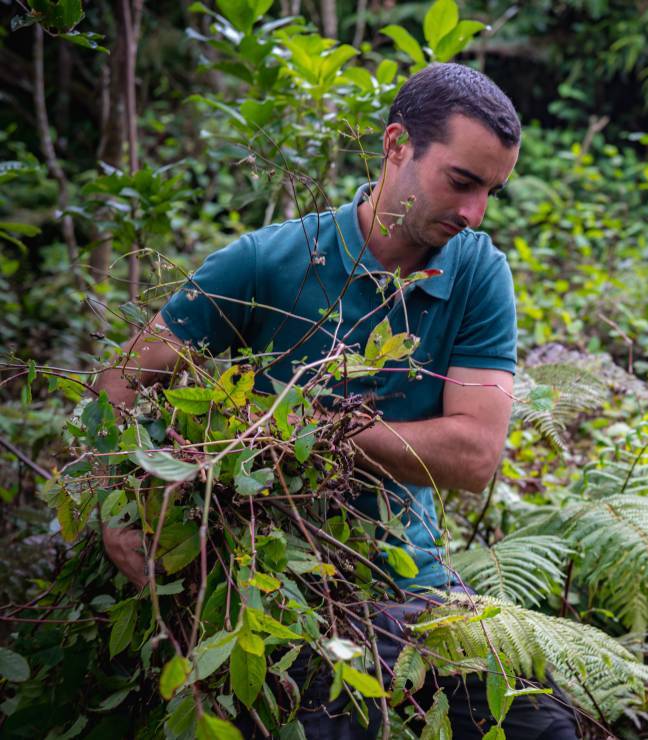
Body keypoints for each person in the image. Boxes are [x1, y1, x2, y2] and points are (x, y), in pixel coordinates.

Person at [94, 63, 578, 739]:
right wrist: (120, 496)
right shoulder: (269, 262)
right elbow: (119, 384)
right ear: (396, 146)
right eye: (462, 182)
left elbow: (474, 455)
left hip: (415, 583)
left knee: (544, 724)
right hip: (274, 579)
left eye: (491, 191)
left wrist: (301, 430)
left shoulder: (477, 271)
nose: (474, 214)